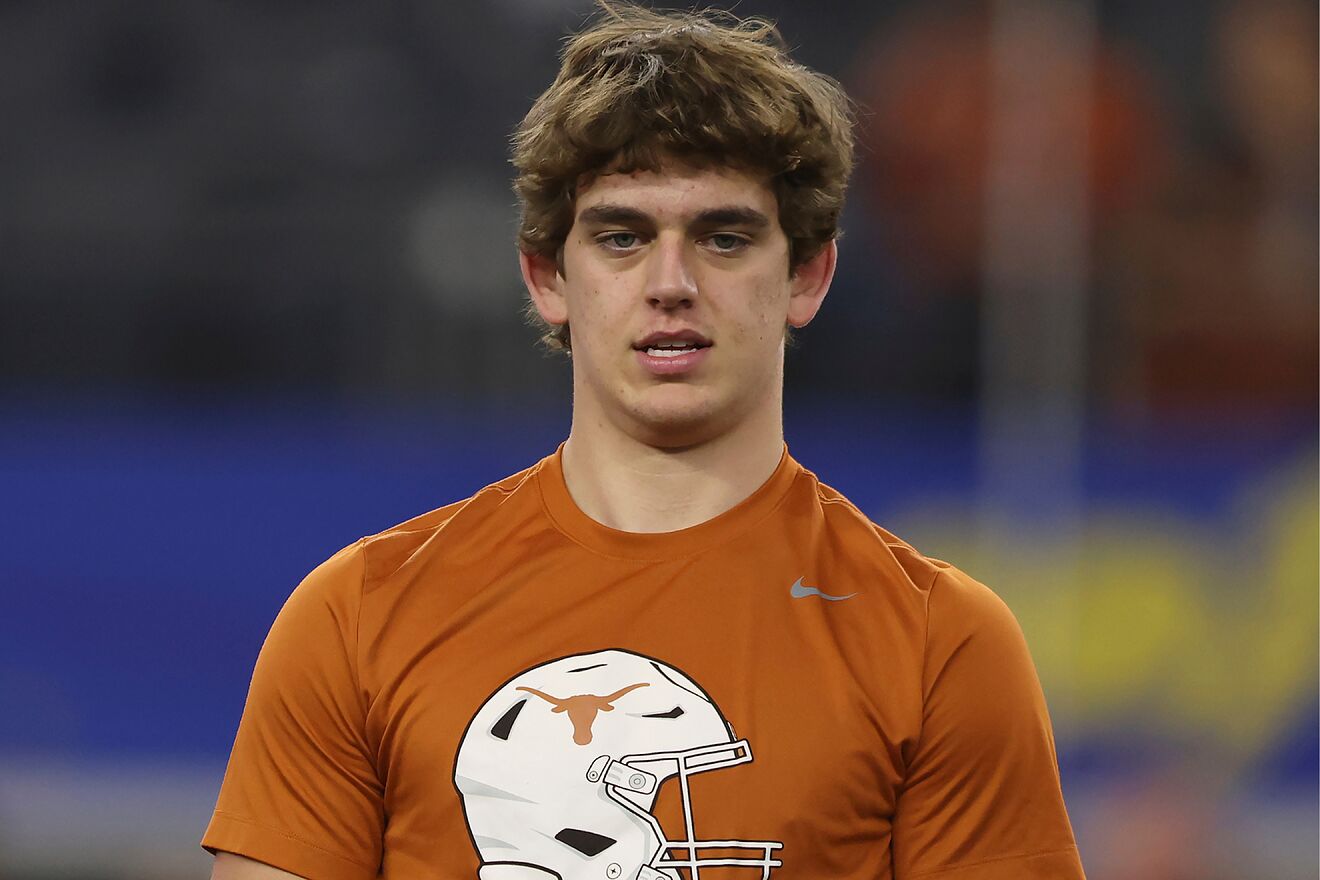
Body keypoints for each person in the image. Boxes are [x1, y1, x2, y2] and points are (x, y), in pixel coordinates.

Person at [203, 3, 1085, 878]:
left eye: (724, 237)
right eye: (622, 237)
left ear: (808, 276)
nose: (672, 284)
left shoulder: (940, 646)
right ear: (548, 276)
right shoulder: (357, 620)